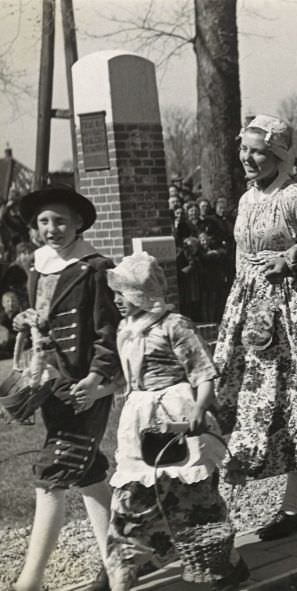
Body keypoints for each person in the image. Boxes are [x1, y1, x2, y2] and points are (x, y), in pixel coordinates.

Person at [104, 252, 248, 590]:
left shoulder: (174, 324)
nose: (117, 300)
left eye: (123, 293)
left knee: (193, 496)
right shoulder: (126, 328)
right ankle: (119, 570)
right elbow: (125, 377)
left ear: (143, 292)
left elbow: (204, 371)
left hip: (175, 416)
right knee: (132, 496)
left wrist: (200, 407)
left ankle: (226, 562)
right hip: (140, 420)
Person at [213, 114, 297, 542]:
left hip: (288, 310)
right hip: (247, 311)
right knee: (239, 399)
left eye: (258, 151)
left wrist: (293, 258)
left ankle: (294, 504)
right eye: (244, 149)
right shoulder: (246, 199)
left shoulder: (296, 196)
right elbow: (242, 258)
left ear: (278, 154)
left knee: (290, 401)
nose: (248, 158)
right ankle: (235, 496)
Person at [12, 185, 121, 591]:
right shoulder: (38, 266)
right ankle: (117, 565)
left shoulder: (93, 268)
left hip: (84, 389)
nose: (51, 228)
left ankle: (31, 580)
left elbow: (108, 333)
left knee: (51, 473)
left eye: (60, 220)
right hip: (50, 384)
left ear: (78, 223)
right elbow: (43, 319)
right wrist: (26, 320)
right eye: (43, 221)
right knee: (89, 472)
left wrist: (97, 380)